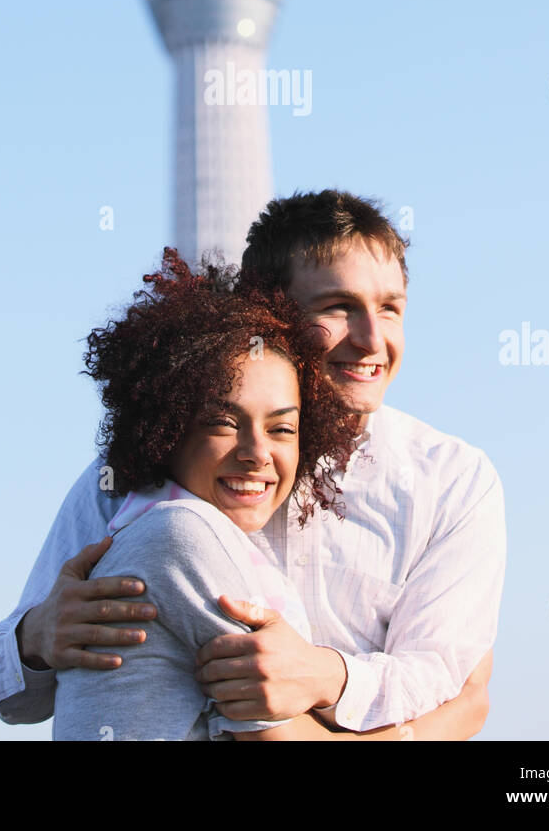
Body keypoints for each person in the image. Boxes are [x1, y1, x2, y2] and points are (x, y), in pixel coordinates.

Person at [0, 190, 505, 739]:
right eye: (338, 307)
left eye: (390, 308)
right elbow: (11, 697)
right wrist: (37, 636)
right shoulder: (136, 472)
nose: (372, 339)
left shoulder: (452, 481)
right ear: (269, 312)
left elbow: (447, 683)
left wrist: (324, 675)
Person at [55, 249, 404, 740]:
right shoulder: (182, 535)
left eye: (283, 428)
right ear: (167, 430)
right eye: (223, 422)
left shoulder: (154, 523)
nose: (257, 452)